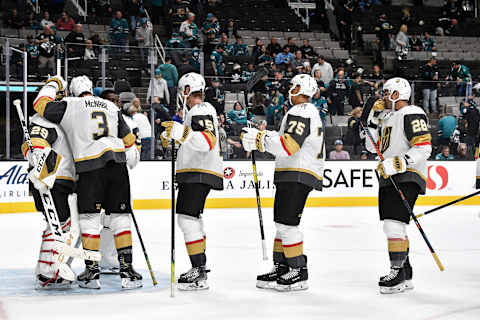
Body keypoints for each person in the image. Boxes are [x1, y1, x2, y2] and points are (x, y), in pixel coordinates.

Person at [32, 75, 142, 290]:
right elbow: (129, 142)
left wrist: (53, 83)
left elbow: (40, 104)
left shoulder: (70, 104)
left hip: (90, 167)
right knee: (120, 218)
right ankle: (127, 271)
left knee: (89, 219)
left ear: (72, 91)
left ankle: (92, 273)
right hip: (118, 164)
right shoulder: (111, 106)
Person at [241, 74, 324, 291]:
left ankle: (298, 270)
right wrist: (262, 135)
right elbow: (285, 142)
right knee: (282, 224)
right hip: (292, 172)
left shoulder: (302, 111)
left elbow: (288, 146)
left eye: (294, 86)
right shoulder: (301, 111)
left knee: (288, 224)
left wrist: (259, 140)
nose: (290, 89)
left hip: (298, 172)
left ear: (301, 88)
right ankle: (282, 265)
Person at [364, 77, 431, 294]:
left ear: (397, 94)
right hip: (389, 176)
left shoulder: (412, 112)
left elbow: (423, 147)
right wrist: (374, 117)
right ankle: (405, 272)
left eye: (387, 92)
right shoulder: (387, 116)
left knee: (393, 224)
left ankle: (397, 271)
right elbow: (371, 146)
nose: (383, 97)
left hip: (407, 174)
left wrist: (400, 162)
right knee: (393, 225)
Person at [161, 72, 223, 290]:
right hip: (196, 171)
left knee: (187, 219)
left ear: (186, 90)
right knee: (192, 219)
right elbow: (194, 140)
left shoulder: (201, 109)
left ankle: (198, 269)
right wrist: (176, 138)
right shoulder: (197, 111)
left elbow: (207, 140)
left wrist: (182, 133)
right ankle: (200, 267)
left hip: (199, 172)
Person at [22, 84, 76, 289]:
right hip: (51, 180)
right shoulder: (43, 119)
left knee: (59, 225)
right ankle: (47, 271)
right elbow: (35, 143)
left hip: (56, 180)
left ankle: (47, 268)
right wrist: (39, 163)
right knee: (59, 225)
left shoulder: (58, 119)